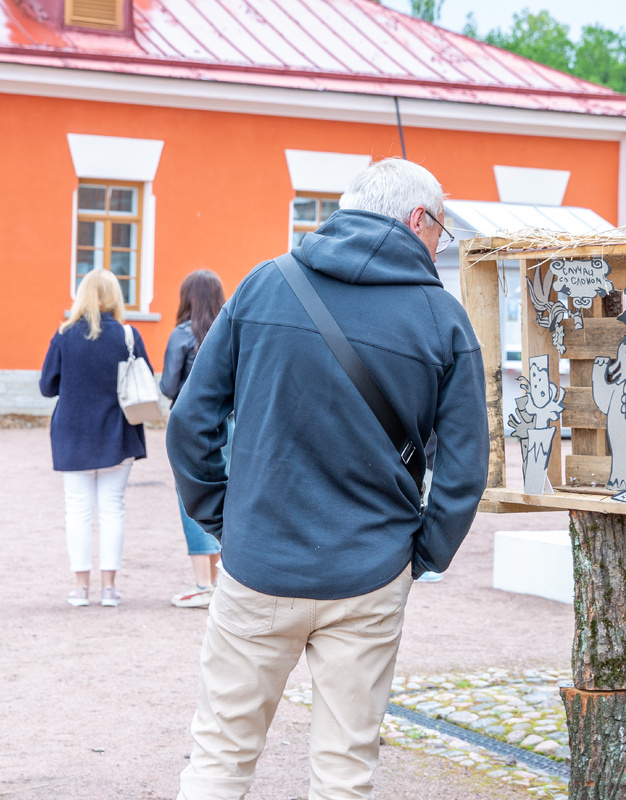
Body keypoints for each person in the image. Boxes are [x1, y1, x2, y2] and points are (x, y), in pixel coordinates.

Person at [168, 157, 489, 800]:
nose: (438, 248)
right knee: (345, 771)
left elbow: (189, 424)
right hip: (370, 571)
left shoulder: (265, 285)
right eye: (442, 234)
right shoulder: (443, 320)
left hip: (259, 564)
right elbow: (464, 468)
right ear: (417, 220)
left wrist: (225, 523)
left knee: (220, 758)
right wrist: (421, 554)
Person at [40, 268, 152, 608]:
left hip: (72, 433)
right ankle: (109, 588)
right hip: (117, 433)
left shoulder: (64, 335)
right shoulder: (128, 336)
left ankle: (79, 588)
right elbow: (144, 378)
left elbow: (47, 387)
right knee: (113, 510)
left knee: (77, 511)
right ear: (114, 296)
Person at [160, 270, 227, 609]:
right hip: (229, 428)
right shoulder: (229, 331)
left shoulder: (181, 335)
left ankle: (203, 582)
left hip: (189, 430)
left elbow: (169, 387)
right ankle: (221, 580)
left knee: (193, 499)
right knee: (227, 496)